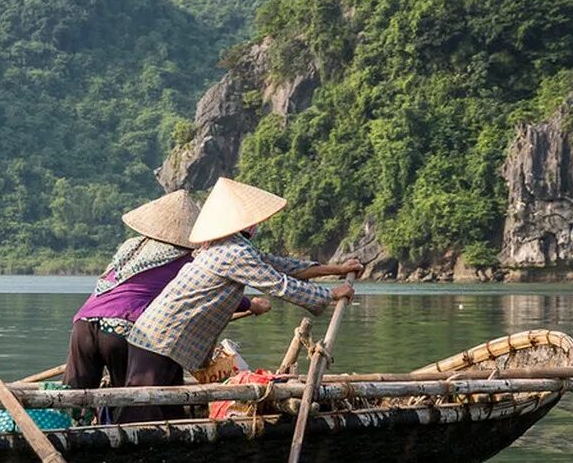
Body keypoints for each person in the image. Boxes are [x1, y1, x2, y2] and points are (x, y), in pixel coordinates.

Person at [120, 177, 361, 424]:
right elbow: (279, 284)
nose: (257, 224)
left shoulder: (230, 245)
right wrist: (330, 294)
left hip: (166, 341)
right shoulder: (233, 252)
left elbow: (284, 266)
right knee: (142, 410)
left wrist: (337, 269)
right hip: (161, 338)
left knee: (168, 410)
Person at [65, 190, 200, 396]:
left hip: (84, 324)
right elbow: (206, 292)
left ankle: (66, 426)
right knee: (128, 400)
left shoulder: (131, 246)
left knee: (74, 397)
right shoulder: (186, 260)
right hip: (122, 330)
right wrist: (250, 304)